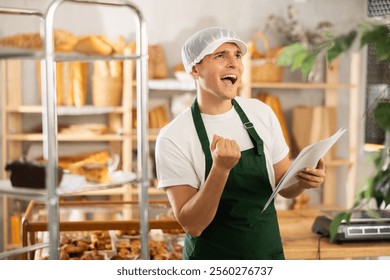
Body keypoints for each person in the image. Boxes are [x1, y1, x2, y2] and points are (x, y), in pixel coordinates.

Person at [155, 26, 326, 260]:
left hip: (267, 256)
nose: (233, 63)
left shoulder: (261, 113)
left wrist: (304, 181)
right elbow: (192, 224)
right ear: (195, 69)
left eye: (237, 55)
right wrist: (220, 170)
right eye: (220, 55)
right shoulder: (173, 137)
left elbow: (283, 186)